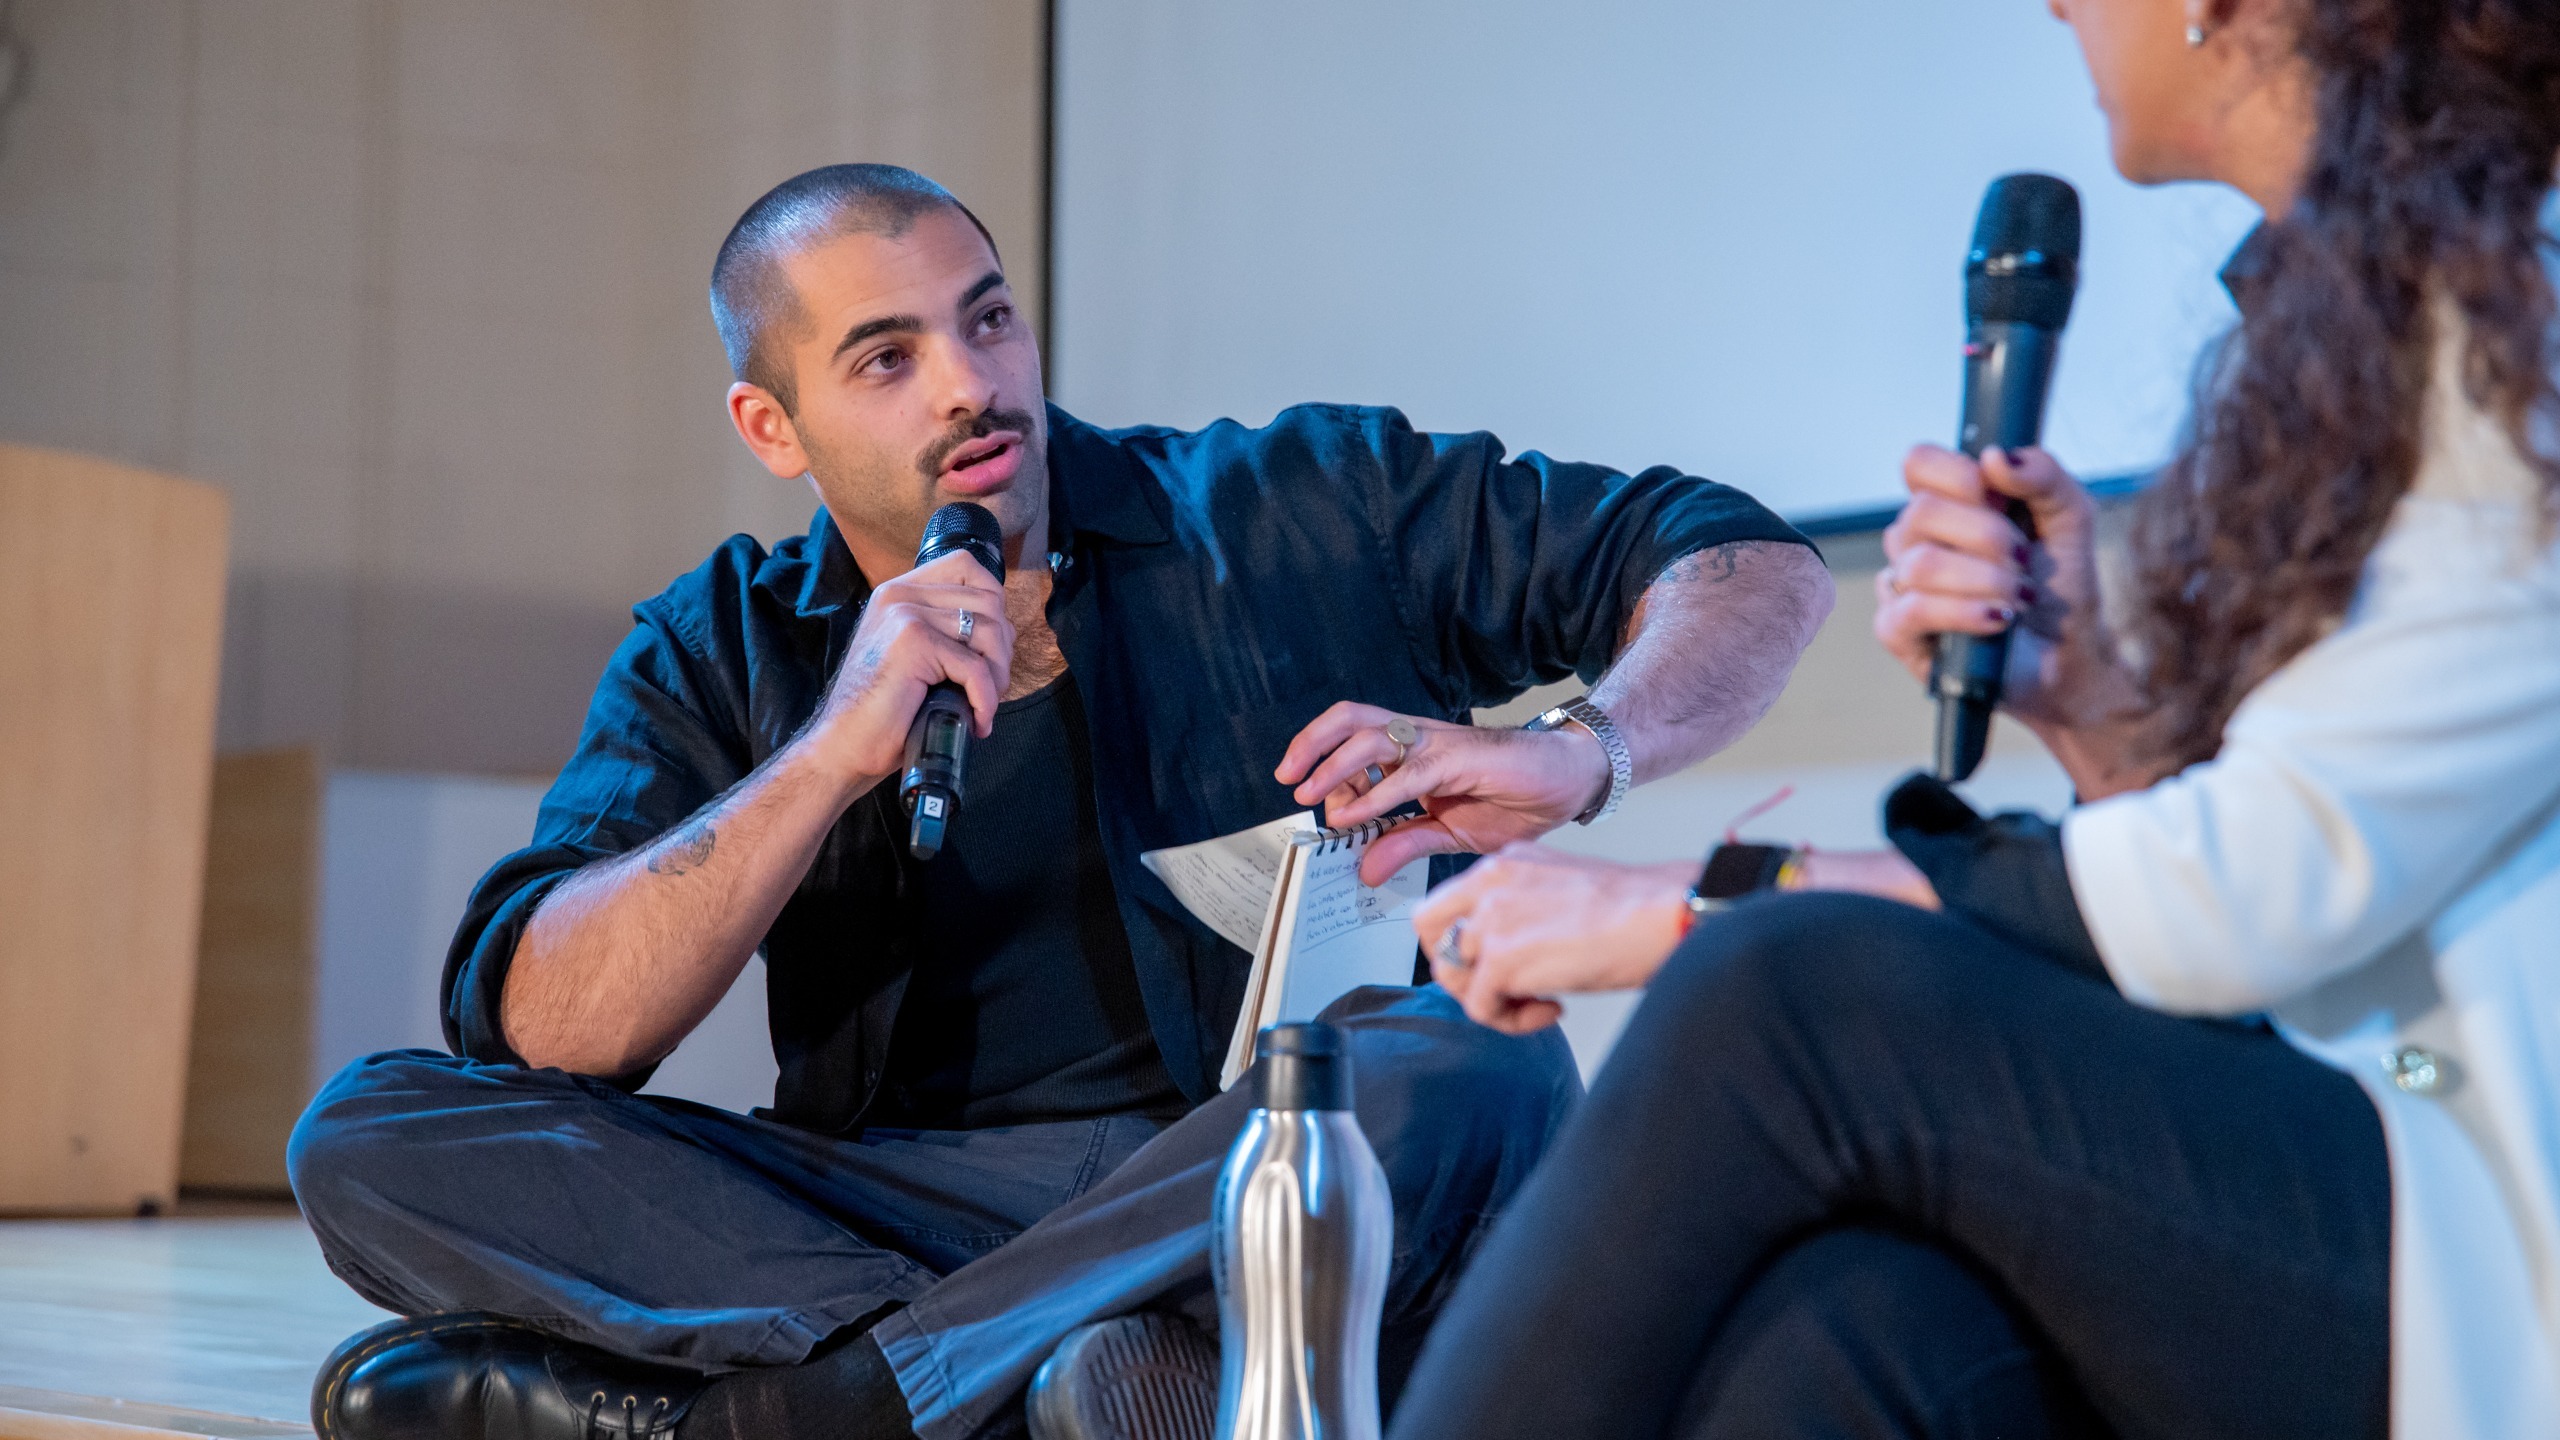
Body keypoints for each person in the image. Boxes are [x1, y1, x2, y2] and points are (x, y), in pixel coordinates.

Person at [284, 163, 1835, 1440]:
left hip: (1256, 1161)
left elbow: (1741, 556)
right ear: (777, 430)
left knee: (1457, 1055)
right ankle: (1059, 1371)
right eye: (887, 359)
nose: (972, 386)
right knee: (366, 1129)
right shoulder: (723, 641)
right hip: (897, 1210)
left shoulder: (1300, 501)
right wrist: (828, 753)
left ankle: (824, 1416)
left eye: (991, 321)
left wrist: (1586, 748)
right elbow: (550, 1027)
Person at [1387, 0, 2560, 1436]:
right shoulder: (2377, 317)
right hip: (2368, 1142)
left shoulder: (2518, 324)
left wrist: (1689, 901)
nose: (2056, 4)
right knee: (1864, 1326)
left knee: (1783, 991)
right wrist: (2098, 708)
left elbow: (2270, 883)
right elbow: (2305, 884)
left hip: (2491, 1239)